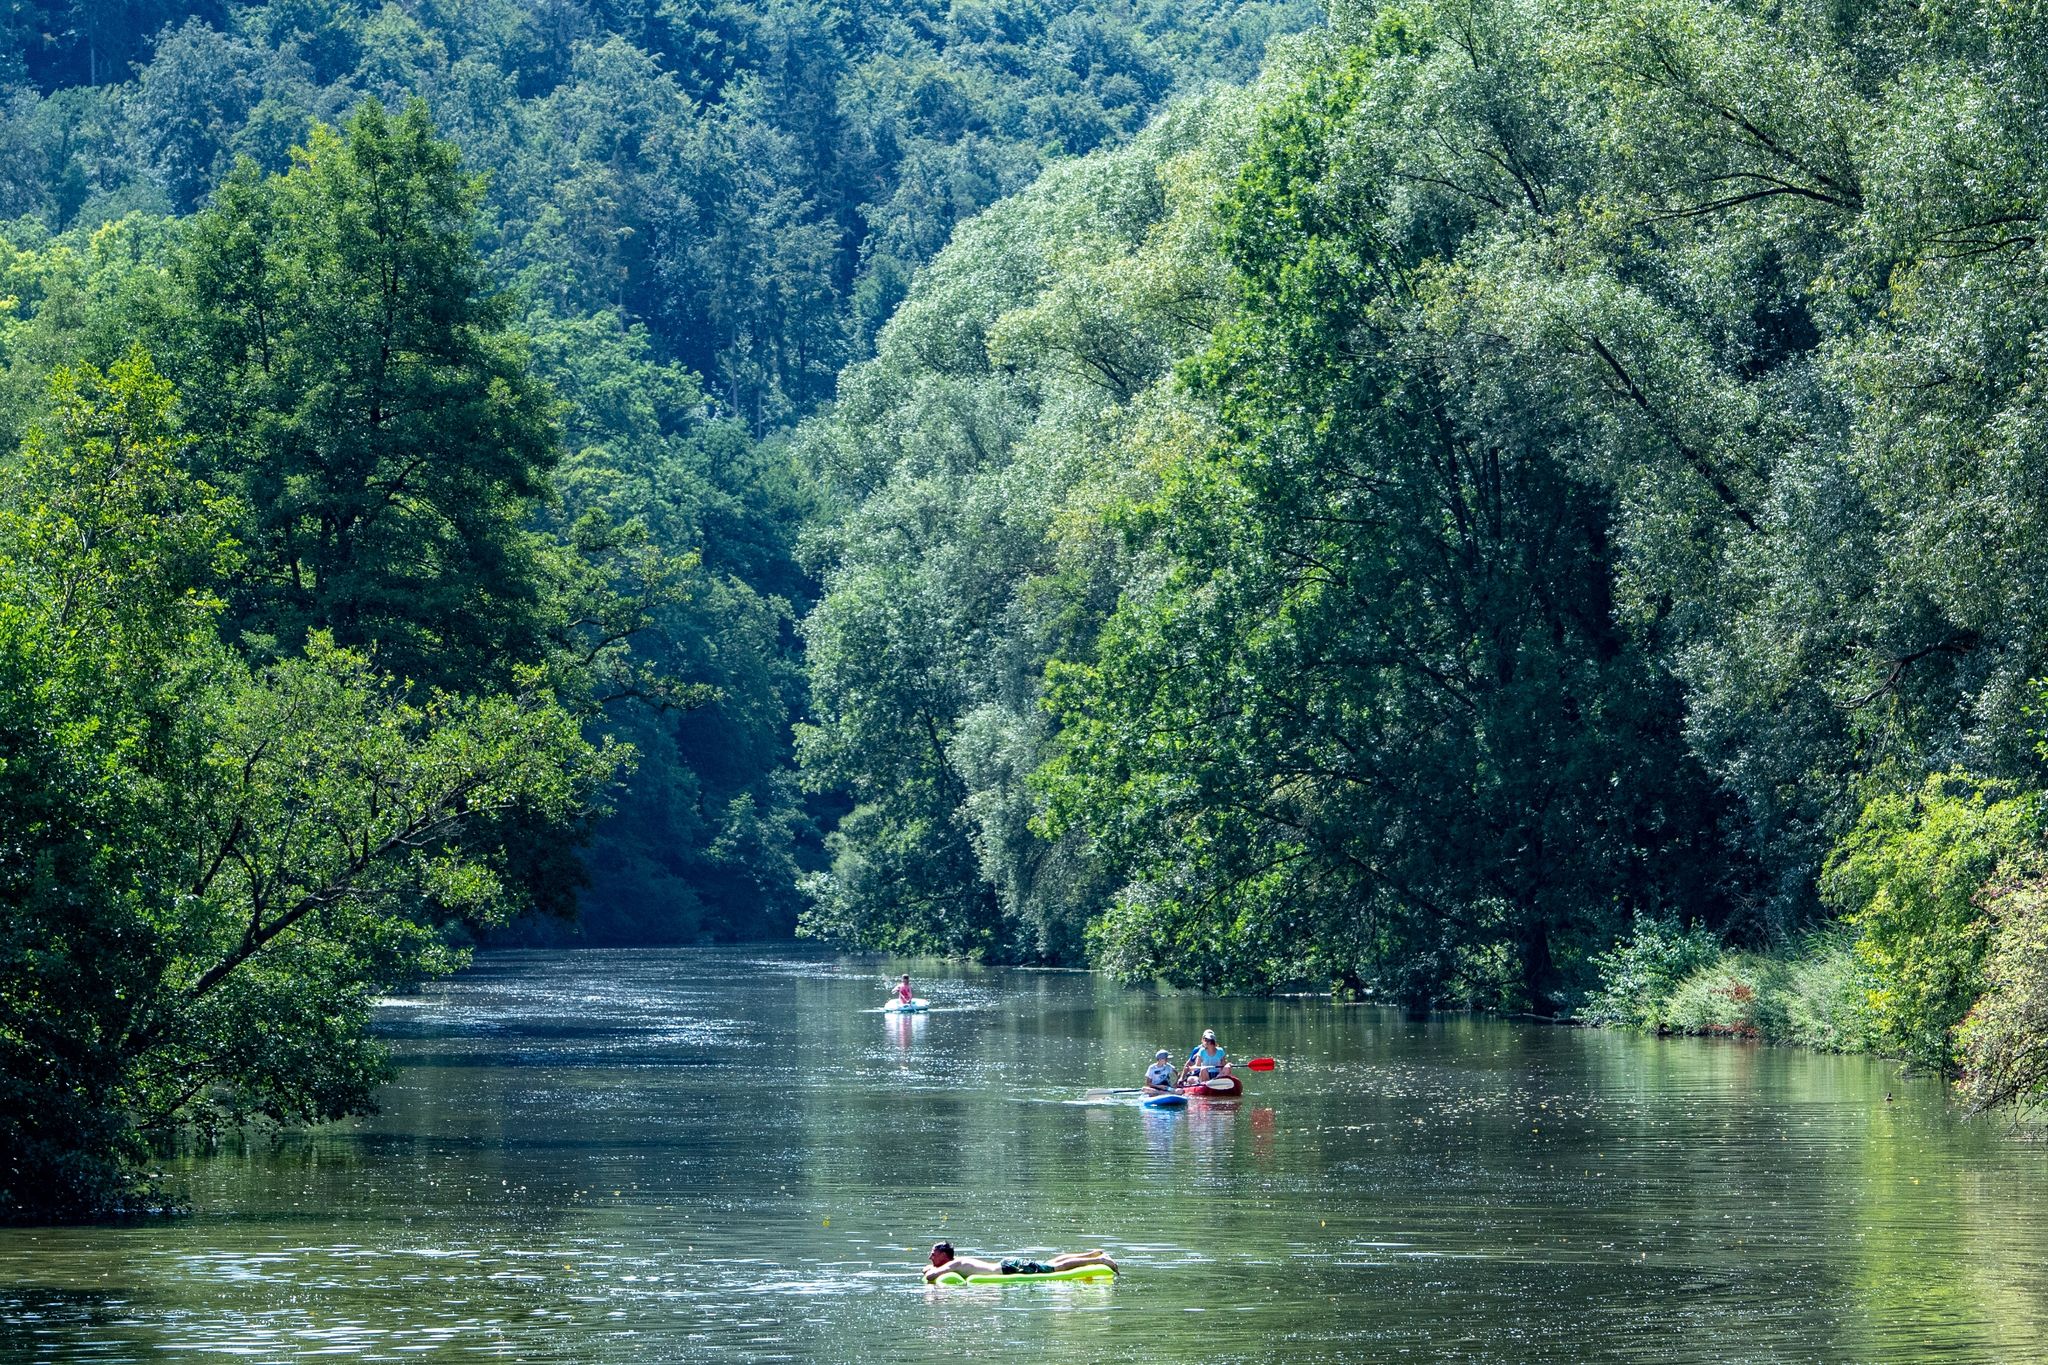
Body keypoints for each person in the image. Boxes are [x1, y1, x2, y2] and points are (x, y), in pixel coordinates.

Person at [923, 1242, 1118, 1283]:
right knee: (1050, 1263)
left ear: (945, 1255)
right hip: (1008, 1265)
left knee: (1053, 1268)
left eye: (934, 1254)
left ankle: (1101, 1260)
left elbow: (931, 1276)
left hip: (1009, 1268)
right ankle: (1091, 1254)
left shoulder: (953, 1265)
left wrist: (927, 1271)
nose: (931, 1257)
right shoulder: (955, 1263)